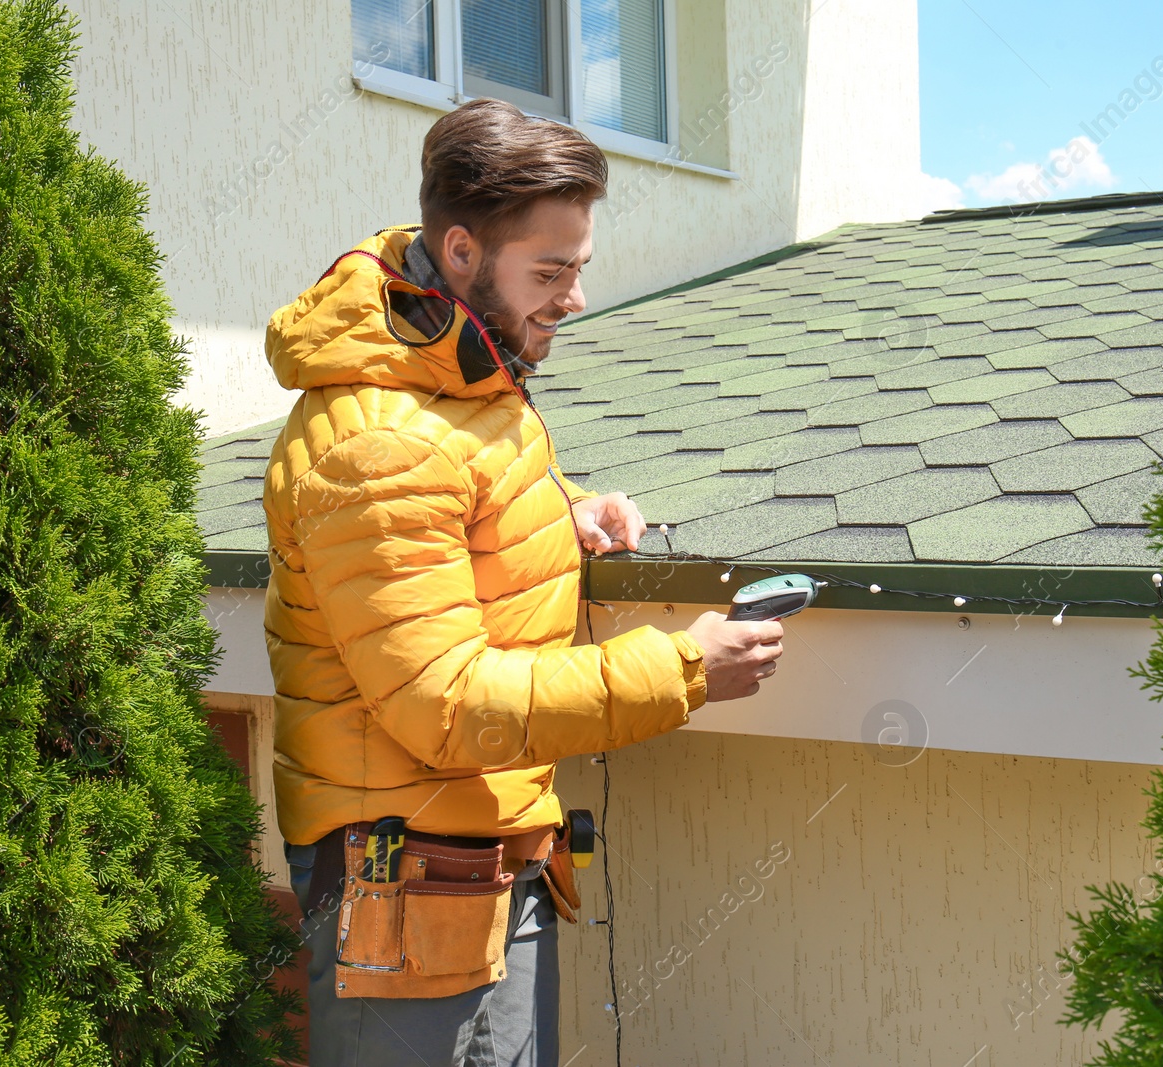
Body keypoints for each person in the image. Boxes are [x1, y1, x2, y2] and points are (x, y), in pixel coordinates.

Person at [261, 98, 786, 1067]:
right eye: (550, 271)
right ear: (459, 253)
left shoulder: (447, 367)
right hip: (404, 881)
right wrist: (682, 667)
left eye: (577, 267)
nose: (573, 297)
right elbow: (445, 702)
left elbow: (451, 494)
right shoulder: (377, 441)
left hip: (483, 854)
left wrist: (561, 509)